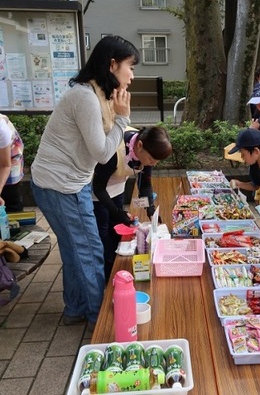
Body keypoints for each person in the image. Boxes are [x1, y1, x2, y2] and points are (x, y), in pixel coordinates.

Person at [30, 35, 140, 331]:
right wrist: (122, 120)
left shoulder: (96, 94)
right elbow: (103, 153)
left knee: (72, 248)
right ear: (112, 64)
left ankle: (75, 308)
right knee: (90, 251)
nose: (132, 74)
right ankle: (99, 319)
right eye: (130, 66)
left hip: (57, 183)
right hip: (62, 186)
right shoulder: (86, 98)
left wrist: (119, 117)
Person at [93, 126, 172, 282]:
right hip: (96, 192)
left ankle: (116, 270)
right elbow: (98, 188)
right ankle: (106, 276)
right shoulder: (115, 150)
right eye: (151, 160)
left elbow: (145, 185)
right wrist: (117, 211)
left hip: (117, 185)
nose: (153, 164)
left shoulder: (146, 148)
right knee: (103, 232)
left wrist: (150, 209)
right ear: (140, 146)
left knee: (117, 230)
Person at [228, 128, 260, 193]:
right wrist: (240, 184)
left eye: (243, 154)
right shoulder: (254, 166)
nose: (242, 157)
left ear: (255, 151)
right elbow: (256, 185)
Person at [0, 114, 24, 212]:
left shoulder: (2, 129)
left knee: (9, 193)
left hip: (10, 154)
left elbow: (5, 165)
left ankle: (14, 215)